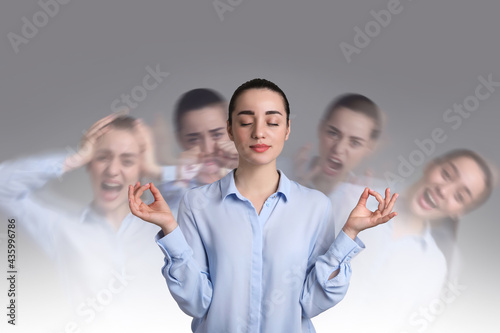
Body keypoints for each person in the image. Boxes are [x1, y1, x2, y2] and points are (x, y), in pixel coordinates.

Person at [128, 78, 398, 332]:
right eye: (246, 122)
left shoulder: (315, 206)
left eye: (272, 122)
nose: (259, 133)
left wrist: (349, 234)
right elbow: (196, 303)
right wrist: (170, 230)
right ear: (230, 130)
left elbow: (312, 302)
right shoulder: (197, 203)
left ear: (287, 129)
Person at [0, 114, 188, 331]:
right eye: (102, 157)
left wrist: (156, 169)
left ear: (140, 169)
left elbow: (215, 188)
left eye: (127, 160)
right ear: (89, 164)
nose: (112, 170)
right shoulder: (63, 229)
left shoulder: (169, 223)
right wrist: (73, 159)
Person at [314, 148, 496, 332]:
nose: (443, 190)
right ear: (431, 166)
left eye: (459, 196)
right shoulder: (348, 198)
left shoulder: (435, 267)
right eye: (446, 174)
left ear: (459, 212)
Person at [156, 88, 239, 217]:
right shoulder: (170, 194)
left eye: (217, 135)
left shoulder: (254, 178)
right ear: (180, 139)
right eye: (194, 139)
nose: (207, 149)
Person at [293, 93, 382, 194]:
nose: (338, 149)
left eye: (355, 143)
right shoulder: (278, 174)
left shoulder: (370, 203)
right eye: (333, 133)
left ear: (370, 148)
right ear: (320, 128)